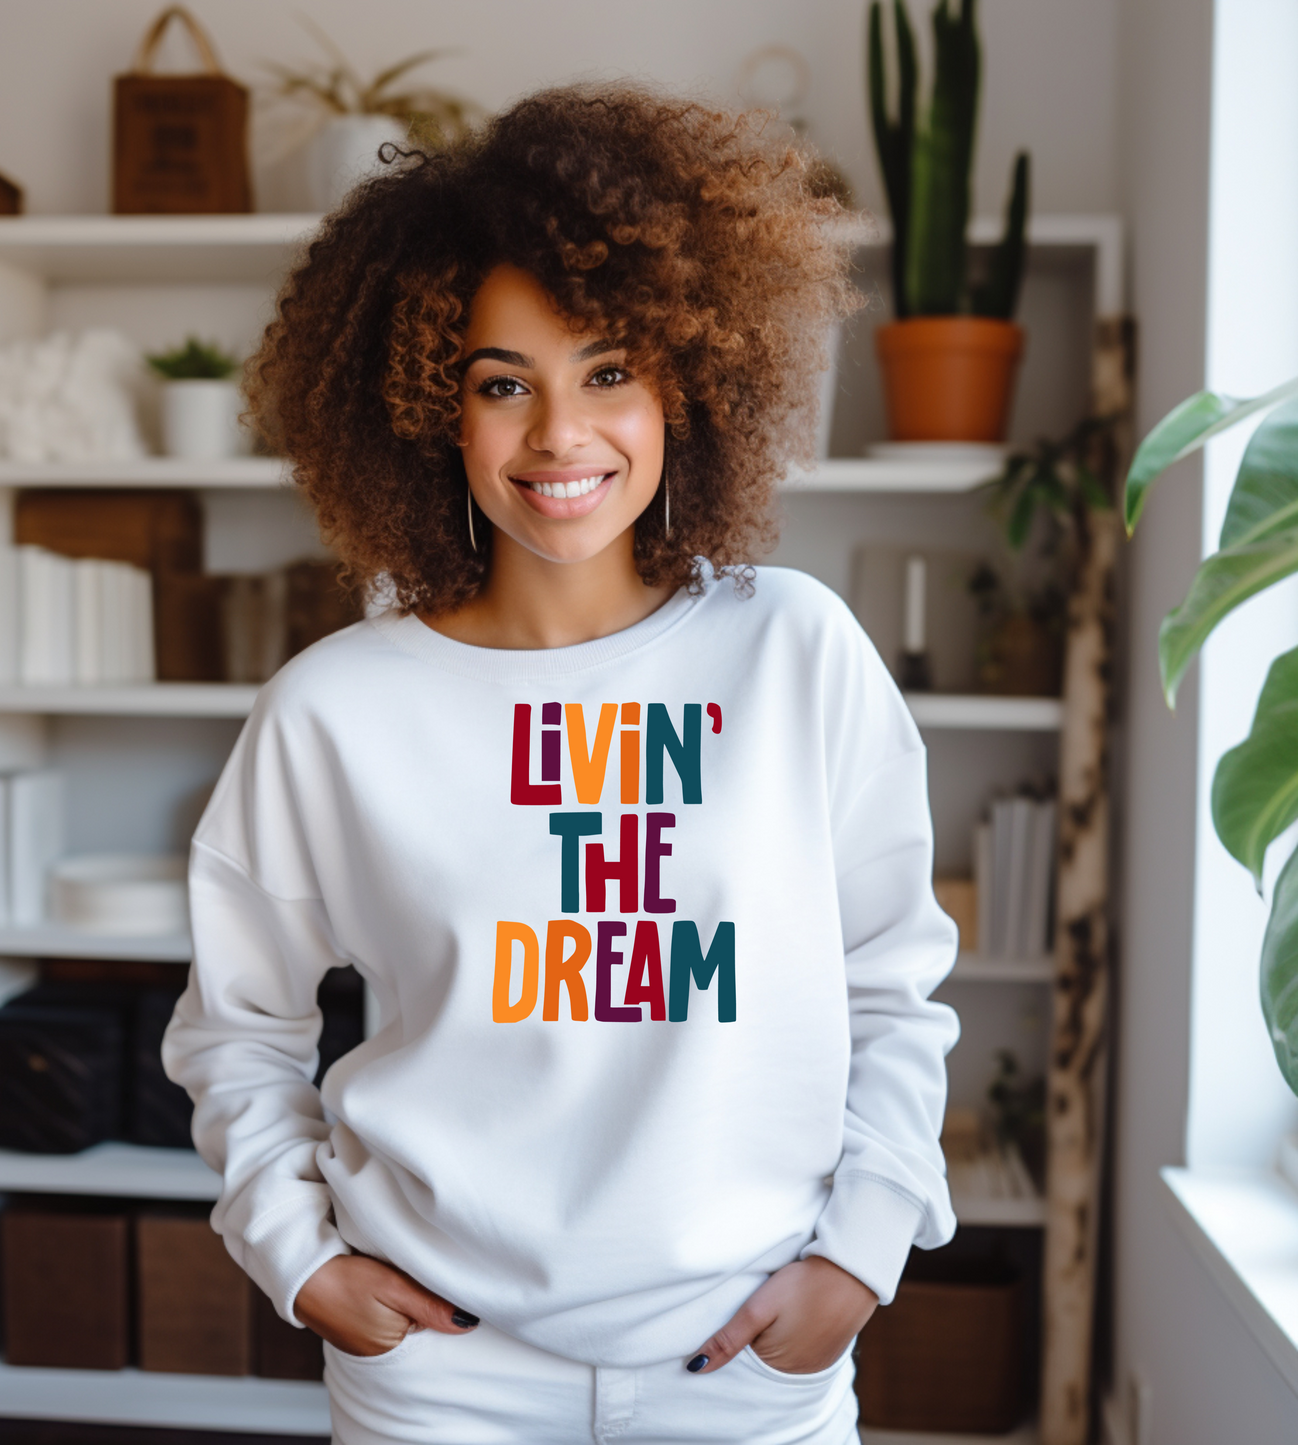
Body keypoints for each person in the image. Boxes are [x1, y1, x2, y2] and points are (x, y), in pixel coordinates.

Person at [163, 83, 958, 1445]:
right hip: (443, 1378)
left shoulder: (796, 655)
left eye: (608, 372)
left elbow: (889, 982)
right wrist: (300, 1261)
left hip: (746, 1367)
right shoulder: (334, 712)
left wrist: (858, 1261)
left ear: (686, 381)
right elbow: (239, 1030)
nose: (558, 438)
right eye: (499, 385)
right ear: (425, 407)